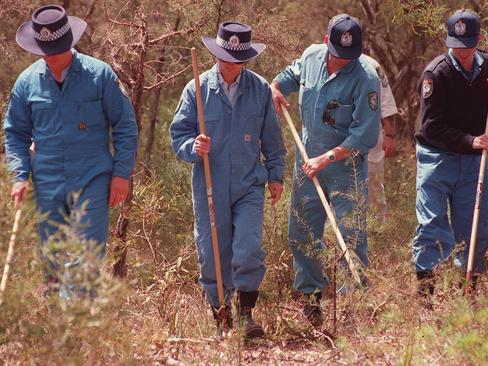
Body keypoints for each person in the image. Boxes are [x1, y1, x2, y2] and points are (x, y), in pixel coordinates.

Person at [3, 5, 138, 298]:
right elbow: (15, 133)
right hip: (47, 183)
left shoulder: (100, 75)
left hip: (92, 179)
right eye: (44, 49)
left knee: (84, 260)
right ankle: (61, 336)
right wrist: (18, 175)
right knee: (52, 263)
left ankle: (70, 322)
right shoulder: (27, 82)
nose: (49, 55)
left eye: (56, 48)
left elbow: (125, 127)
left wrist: (121, 174)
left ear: (70, 43)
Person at [170, 21, 286, 338]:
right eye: (224, 57)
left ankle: (246, 314)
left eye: (236, 60)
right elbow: (177, 136)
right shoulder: (196, 88)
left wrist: (276, 176)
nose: (229, 65)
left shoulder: (260, 89)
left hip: (249, 184)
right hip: (209, 183)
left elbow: (273, 142)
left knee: (248, 248)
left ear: (246, 60)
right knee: (212, 253)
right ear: (216, 54)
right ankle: (221, 316)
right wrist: (192, 147)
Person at [270, 14, 381, 325]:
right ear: (325, 42)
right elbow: (289, 76)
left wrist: (328, 158)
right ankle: (312, 300)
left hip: (346, 166)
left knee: (351, 237)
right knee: (301, 232)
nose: (343, 61)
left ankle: (353, 307)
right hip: (307, 161)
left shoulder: (367, 77)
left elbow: (365, 135)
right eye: (337, 54)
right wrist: (276, 86)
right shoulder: (311, 56)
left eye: (350, 56)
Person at [412, 9, 488, 297]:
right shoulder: (436, 72)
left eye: (468, 45)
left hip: (472, 162)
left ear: (478, 39)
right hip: (436, 157)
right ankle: (426, 298)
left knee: (475, 230)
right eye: (457, 46)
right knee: (431, 225)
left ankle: (468, 293)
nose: (463, 52)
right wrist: (470, 141)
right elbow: (430, 127)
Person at [361, 55, 399, 220]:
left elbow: (386, 102)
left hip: (370, 137)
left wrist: (389, 135)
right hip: (339, 138)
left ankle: (377, 229)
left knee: (373, 184)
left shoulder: (372, 66)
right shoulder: (328, 64)